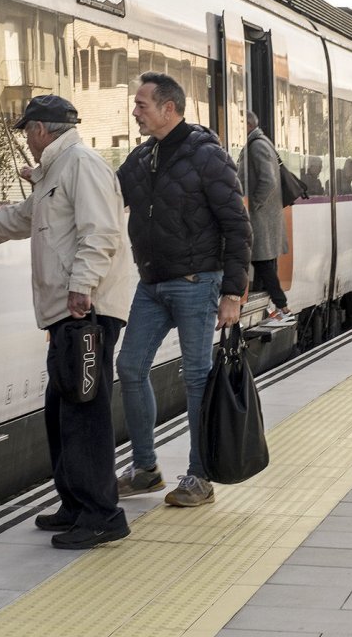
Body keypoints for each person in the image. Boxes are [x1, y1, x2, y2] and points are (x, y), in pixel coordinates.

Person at [0, 94, 134, 550]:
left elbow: (102, 232)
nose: (27, 141)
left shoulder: (81, 164)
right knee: (63, 409)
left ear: (41, 130)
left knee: (84, 410)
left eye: (27, 132)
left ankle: (102, 514)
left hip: (86, 309)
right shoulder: (54, 173)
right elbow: (18, 221)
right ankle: (76, 504)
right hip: (69, 310)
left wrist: (82, 287)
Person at [115, 72, 252, 508]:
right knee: (131, 367)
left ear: (168, 109)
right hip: (153, 284)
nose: (135, 112)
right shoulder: (140, 159)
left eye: (142, 105)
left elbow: (237, 225)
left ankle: (199, 476)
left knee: (196, 377)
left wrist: (233, 293)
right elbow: (102, 195)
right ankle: (144, 469)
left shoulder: (207, 156)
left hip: (197, 283)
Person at [239, 110, 290, 321]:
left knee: (261, 261)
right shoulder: (259, 142)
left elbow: (268, 180)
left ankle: (282, 306)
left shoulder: (257, 145)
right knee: (264, 262)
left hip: (261, 217)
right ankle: (278, 305)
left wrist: (253, 206)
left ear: (248, 126)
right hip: (265, 216)